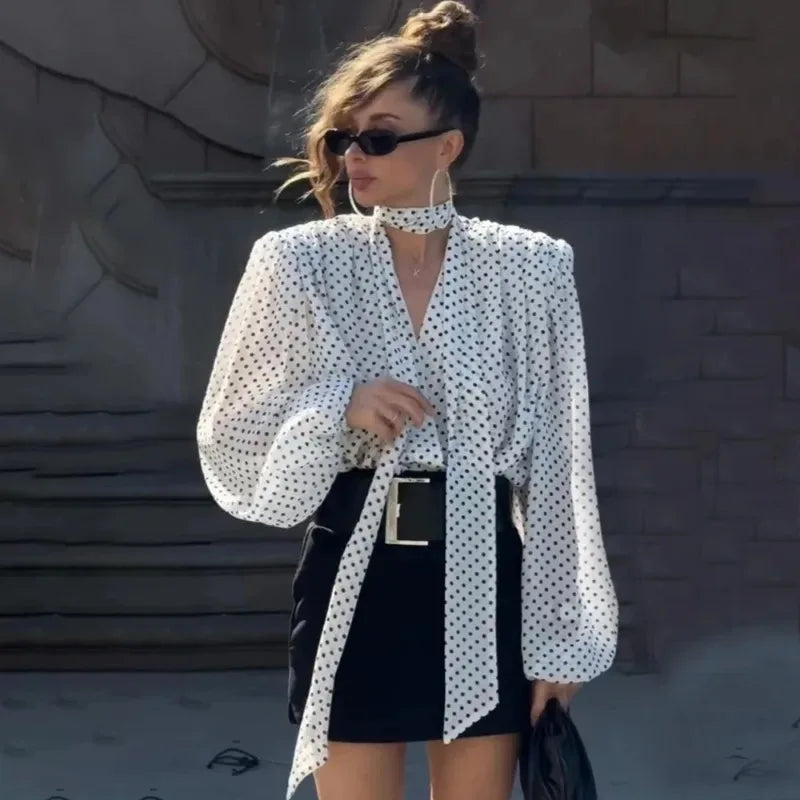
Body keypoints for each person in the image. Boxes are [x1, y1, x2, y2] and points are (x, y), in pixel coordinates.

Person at [196, 3, 619, 799]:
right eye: (343, 137)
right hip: (356, 567)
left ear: (448, 145)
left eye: (380, 136)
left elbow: (560, 467)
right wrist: (335, 406)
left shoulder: (529, 269)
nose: (355, 154)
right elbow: (232, 432)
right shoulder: (297, 263)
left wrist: (561, 645)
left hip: (486, 569)